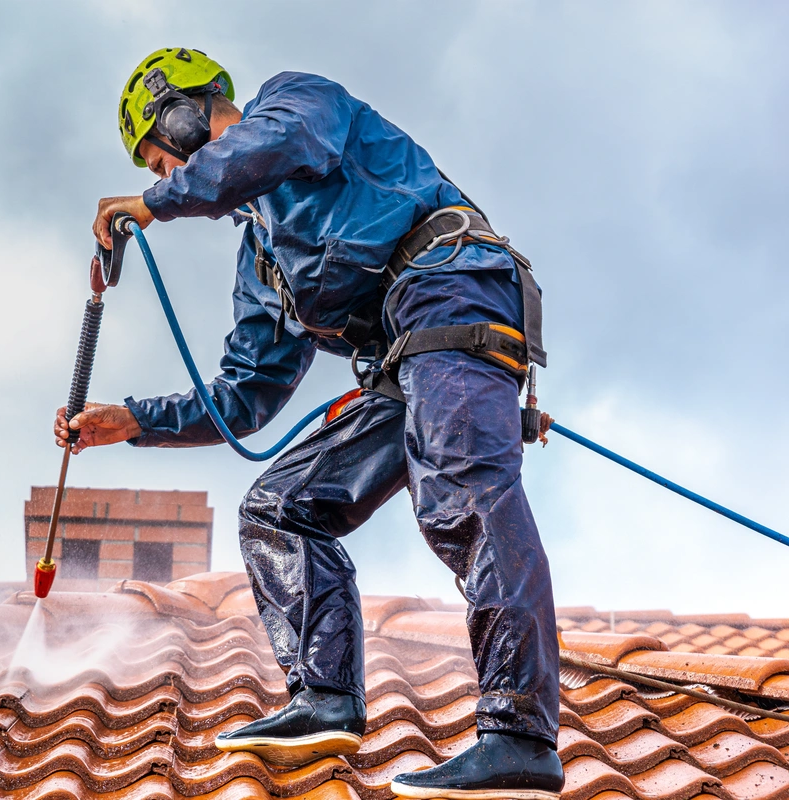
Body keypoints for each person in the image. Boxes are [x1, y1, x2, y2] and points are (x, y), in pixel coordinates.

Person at [54, 47, 564, 799]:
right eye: (156, 173)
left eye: (161, 159)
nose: (162, 180)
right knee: (279, 508)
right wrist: (129, 420)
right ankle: (323, 697)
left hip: (454, 295)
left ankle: (520, 734)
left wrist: (156, 205)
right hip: (402, 360)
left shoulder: (295, 104)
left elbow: (278, 145)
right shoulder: (261, 259)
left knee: (461, 493)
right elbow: (243, 397)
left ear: (189, 113)